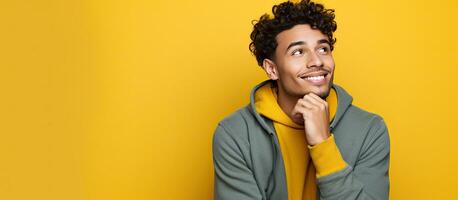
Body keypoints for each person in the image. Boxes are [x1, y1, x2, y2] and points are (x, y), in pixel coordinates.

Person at [212, 0, 390, 199]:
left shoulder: (369, 130)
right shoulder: (235, 134)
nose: (317, 61)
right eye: (298, 52)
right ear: (272, 69)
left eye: (323, 49)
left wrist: (323, 145)